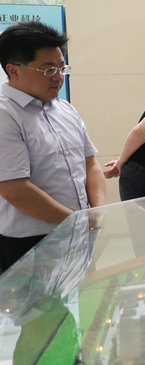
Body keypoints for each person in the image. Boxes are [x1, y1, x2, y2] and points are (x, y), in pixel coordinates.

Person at [0, 21, 106, 272]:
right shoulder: (5, 114)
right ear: (14, 70)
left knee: (73, 294)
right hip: (28, 244)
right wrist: (75, 222)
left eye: (62, 67)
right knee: (33, 300)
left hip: (75, 233)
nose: (58, 77)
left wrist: (99, 212)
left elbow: (90, 164)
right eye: (48, 70)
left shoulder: (65, 109)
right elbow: (14, 188)